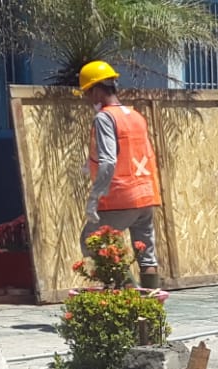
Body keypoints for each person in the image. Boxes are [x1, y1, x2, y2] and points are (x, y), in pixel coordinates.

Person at [77, 60, 162, 289]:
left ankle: (129, 295)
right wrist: (89, 165)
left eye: (87, 93)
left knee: (92, 241)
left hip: (120, 196)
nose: (87, 99)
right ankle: (151, 311)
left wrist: (94, 198)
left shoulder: (105, 118)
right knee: (146, 254)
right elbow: (130, 151)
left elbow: (108, 161)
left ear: (96, 90)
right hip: (145, 195)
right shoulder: (135, 116)